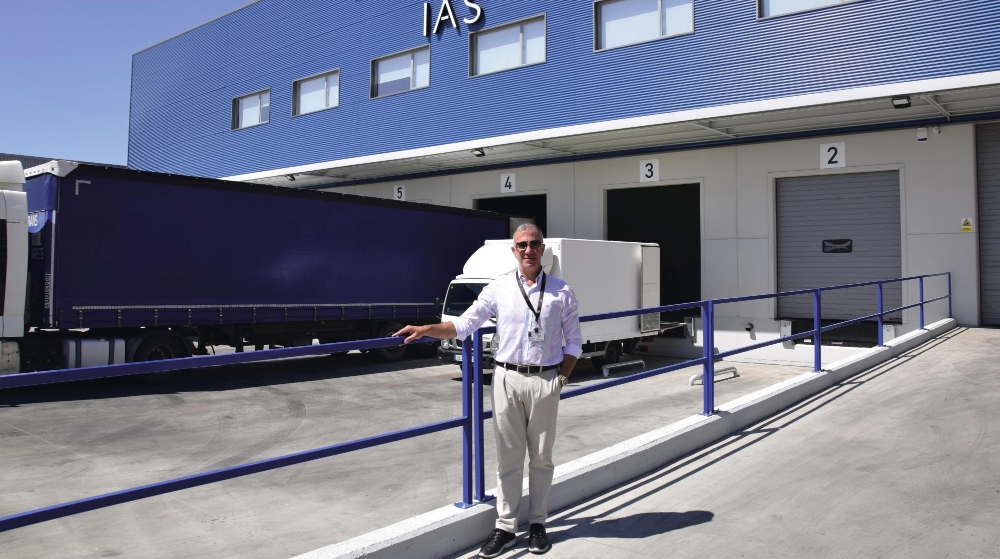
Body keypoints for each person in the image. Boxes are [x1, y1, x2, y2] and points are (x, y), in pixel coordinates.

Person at [395, 223, 582, 557]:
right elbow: (464, 324)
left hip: (546, 380)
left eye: (534, 244)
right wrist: (427, 329)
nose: (528, 249)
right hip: (506, 379)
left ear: (543, 249)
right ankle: (506, 527)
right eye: (522, 244)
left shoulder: (561, 291)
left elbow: (576, 343)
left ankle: (538, 524)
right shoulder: (498, 288)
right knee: (508, 459)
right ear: (514, 251)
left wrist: (561, 380)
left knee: (541, 458)